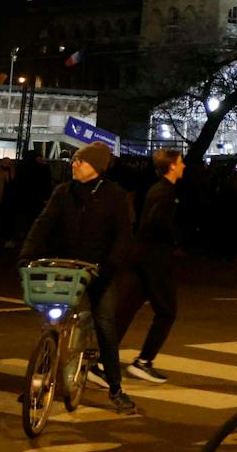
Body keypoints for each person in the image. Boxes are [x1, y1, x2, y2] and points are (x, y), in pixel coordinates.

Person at [17, 142, 137, 414]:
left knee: (105, 324)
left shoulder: (113, 195)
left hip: (99, 270)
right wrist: (26, 255)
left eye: (80, 161)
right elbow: (42, 224)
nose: (74, 164)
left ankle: (115, 388)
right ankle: (38, 376)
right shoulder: (63, 192)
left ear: (95, 167)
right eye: (74, 160)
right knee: (51, 324)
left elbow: (122, 237)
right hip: (66, 268)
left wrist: (110, 267)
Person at [113, 149, 184, 383]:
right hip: (155, 259)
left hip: (140, 255)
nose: (183, 166)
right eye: (181, 162)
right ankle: (144, 362)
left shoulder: (156, 189)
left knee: (126, 309)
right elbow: (156, 222)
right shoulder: (166, 192)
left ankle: (102, 361)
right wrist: (173, 238)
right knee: (167, 312)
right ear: (172, 166)